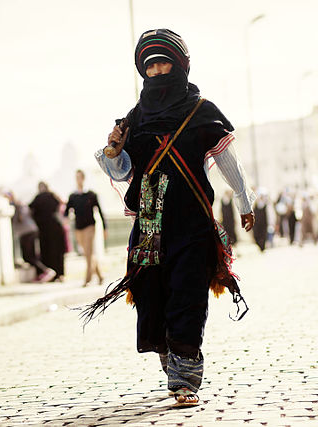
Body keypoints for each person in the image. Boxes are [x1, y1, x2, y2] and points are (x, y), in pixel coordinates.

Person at [89, 29, 255, 406]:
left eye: (164, 63)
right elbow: (122, 172)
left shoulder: (202, 110)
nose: (158, 72)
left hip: (192, 220)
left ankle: (184, 375)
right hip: (149, 223)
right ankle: (171, 356)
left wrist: (245, 202)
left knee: (188, 291)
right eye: (150, 66)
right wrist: (114, 150)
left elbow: (228, 161)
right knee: (152, 293)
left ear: (179, 65)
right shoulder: (135, 117)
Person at [64, 170, 107, 286]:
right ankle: (100, 275)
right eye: (76, 177)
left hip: (90, 227)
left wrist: (104, 228)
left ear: (83, 178)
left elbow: (100, 212)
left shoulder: (91, 195)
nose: (79, 180)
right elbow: (66, 211)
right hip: (78, 228)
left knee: (88, 253)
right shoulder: (73, 196)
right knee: (88, 253)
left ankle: (87, 279)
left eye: (80, 177)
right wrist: (65, 220)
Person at [7, 192, 56, 282]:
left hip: (26, 232)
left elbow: (20, 218)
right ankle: (42, 273)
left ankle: (46, 271)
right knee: (31, 255)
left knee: (29, 256)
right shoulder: (21, 205)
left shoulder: (18, 206)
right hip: (30, 230)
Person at [29, 182, 66, 282]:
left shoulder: (38, 198)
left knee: (46, 252)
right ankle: (60, 274)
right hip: (55, 226)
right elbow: (62, 204)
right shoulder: (53, 196)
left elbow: (30, 209)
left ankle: (50, 275)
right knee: (57, 251)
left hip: (44, 229)